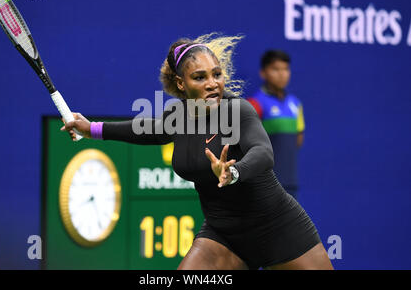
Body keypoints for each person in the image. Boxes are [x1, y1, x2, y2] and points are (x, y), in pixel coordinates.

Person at [61, 34, 333, 270]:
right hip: (223, 237)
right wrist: (91, 129)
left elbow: (263, 152)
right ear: (181, 84)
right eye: (199, 77)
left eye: (217, 74)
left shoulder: (238, 111)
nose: (212, 83)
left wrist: (235, 171)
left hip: (278, 228)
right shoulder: (176, 118)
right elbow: (142, 130)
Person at [247, 50, 304, 199]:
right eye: (275, 69)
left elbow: (298, 140)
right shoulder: (255, 104)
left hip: (290, 184)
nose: (282, 74)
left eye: (285, 69)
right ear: (263, 73)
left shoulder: (295, 104)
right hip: (265, 185)